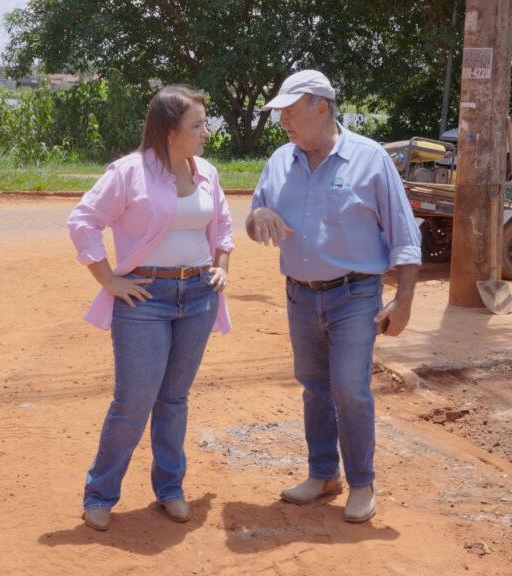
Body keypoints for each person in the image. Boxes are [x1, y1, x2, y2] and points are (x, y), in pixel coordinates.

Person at [247, 70, 421, 523]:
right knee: (314, 387)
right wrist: (260, 213)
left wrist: (403, 300)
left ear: (321, 108)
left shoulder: (370, 159)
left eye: (291, 110)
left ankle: (361, 482)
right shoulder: (280, 160)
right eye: (280, 112)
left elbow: (404, 234)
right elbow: (253, 218)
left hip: (355, 295)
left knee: (350, 388)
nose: (283, 120)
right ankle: (324, 474)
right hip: (299, 296)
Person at [67, 85, 233, 531]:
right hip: (145, 299)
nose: (206, 133)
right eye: (197, 125)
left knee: (174, 398)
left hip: (198, 296)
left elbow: (223, 225)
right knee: (134, 400)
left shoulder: (208, 173)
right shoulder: (129, 173)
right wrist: (107, 278)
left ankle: (170, 489)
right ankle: (100, 494)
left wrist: (221, 267)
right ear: (169, 130)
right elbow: (83, 220)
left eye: (204, 123)